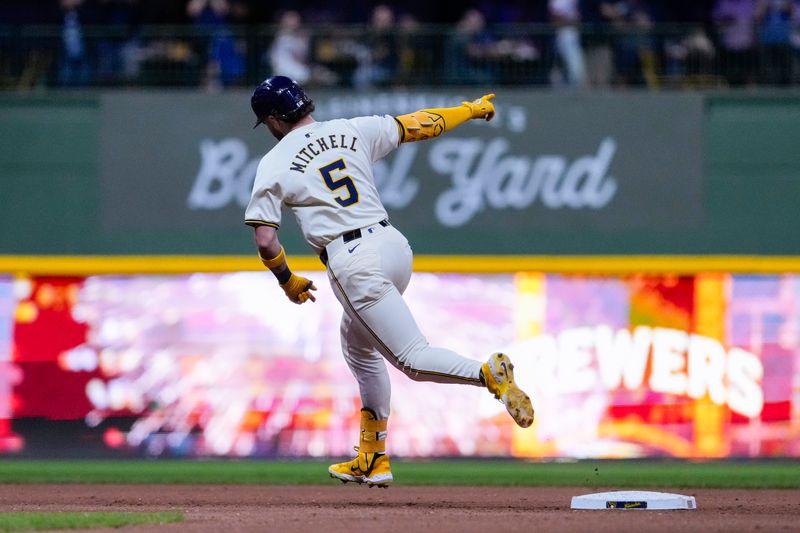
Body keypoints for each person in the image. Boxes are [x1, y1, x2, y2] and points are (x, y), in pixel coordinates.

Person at [245, 76, 534, 487]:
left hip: (352, 260)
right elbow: (419, 124)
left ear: (273, 119)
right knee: (358, 347)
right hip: (393, 247)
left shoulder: (274, 162)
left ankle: (487, 375)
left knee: (412, 359)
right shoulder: (351, 128)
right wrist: (469, 109)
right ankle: (373, 458)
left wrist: (287, 280)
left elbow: (265, 237)